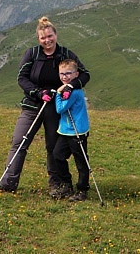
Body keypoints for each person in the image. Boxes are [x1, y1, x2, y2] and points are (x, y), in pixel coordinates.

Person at [0, 16, 90, 198]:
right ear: (39, 38)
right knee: (19, 142)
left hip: (55, 109)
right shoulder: (32, 54)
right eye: (43, 38)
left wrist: (70, 87)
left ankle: (57, 185)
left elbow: (84, 75)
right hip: (32, 106)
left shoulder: (66, 54)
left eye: (50, 36)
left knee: (52, 147)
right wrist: (37, 92)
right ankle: (8, 183)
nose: (47, 40)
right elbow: (22, 78)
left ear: (55, 35)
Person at [53, 59, 90, 202]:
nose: (64, 77)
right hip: (65, 131)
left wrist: (57, 94)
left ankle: (82, 189)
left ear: (76, 74)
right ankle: (66, 183)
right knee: (57, 155)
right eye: (62, 74)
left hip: (77, 132)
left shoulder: (74, 92)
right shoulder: (67, 90)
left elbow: (60, 109)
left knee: (81, 161)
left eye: (68, 73)